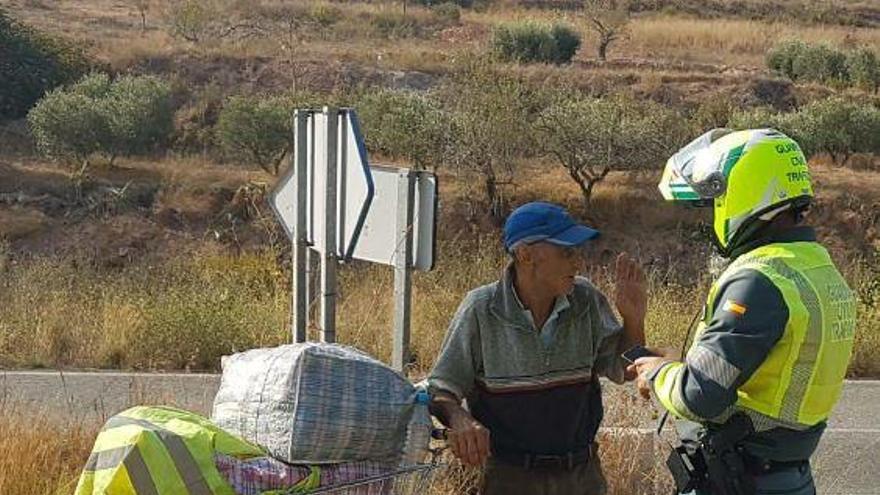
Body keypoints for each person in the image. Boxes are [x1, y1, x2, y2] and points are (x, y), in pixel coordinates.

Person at [630, 128, 857, 495]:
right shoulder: (815, 269)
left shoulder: (761, 280)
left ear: (745, 192)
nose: (715, 214)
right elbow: (763, 370)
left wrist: (659, 373)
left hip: (741, 478)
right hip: (788, 475)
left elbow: (697, 395)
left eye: (717, 202)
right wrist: (683, 360)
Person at [427, 201, 647, 495]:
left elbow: (627, 368)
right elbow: (441, 389)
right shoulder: (481, 309)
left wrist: (633, 320)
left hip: (581, 478)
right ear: (525, 255)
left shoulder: (587, 300)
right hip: (506, 478)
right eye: (566, 252)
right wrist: (459, 419)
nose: (577, 263)